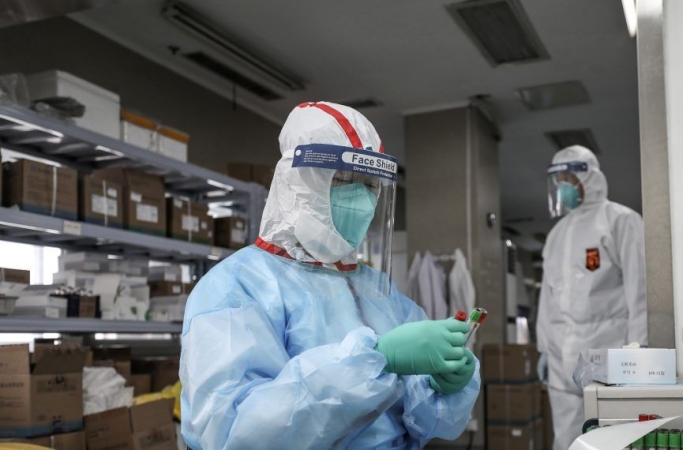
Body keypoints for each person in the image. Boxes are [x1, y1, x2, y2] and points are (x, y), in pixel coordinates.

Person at [179, 102, 480, 449]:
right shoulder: (235, 287)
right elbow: (233, 433)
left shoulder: (376, 290)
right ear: (299, 183)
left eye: (370, 184)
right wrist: (376, 359)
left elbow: (427, 419)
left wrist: (440, 384)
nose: (362, 199)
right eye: (344, 180)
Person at [537, 145, 648, 450]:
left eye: (569, 179)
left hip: (607, 354)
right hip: (561, 359)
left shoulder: (620, 220)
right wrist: (544, 349)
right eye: (559, 180)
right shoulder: (556, 234)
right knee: (566, 439)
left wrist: (639, 350)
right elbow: (547, 299)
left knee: (611, 438)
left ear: (589, 178)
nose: (563, 187)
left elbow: (639, 291)